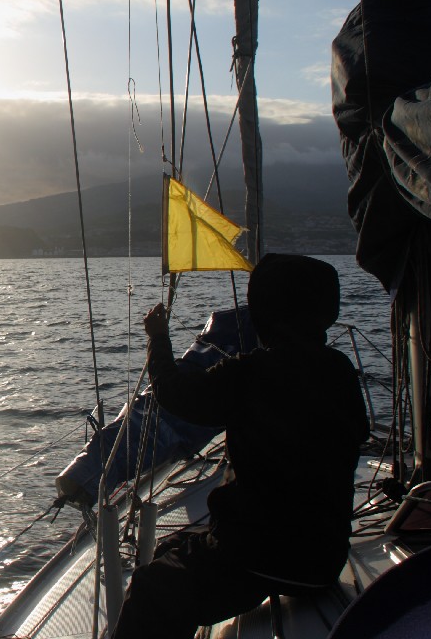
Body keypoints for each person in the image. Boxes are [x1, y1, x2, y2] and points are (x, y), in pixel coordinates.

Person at [112, 254, 370, 639]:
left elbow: (175, 393)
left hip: (256, 558)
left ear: (265, 314)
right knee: (171, 549)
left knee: (151, 588)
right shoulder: (341, 371)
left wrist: (158, 338)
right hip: (321, 562)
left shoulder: (249, 374)